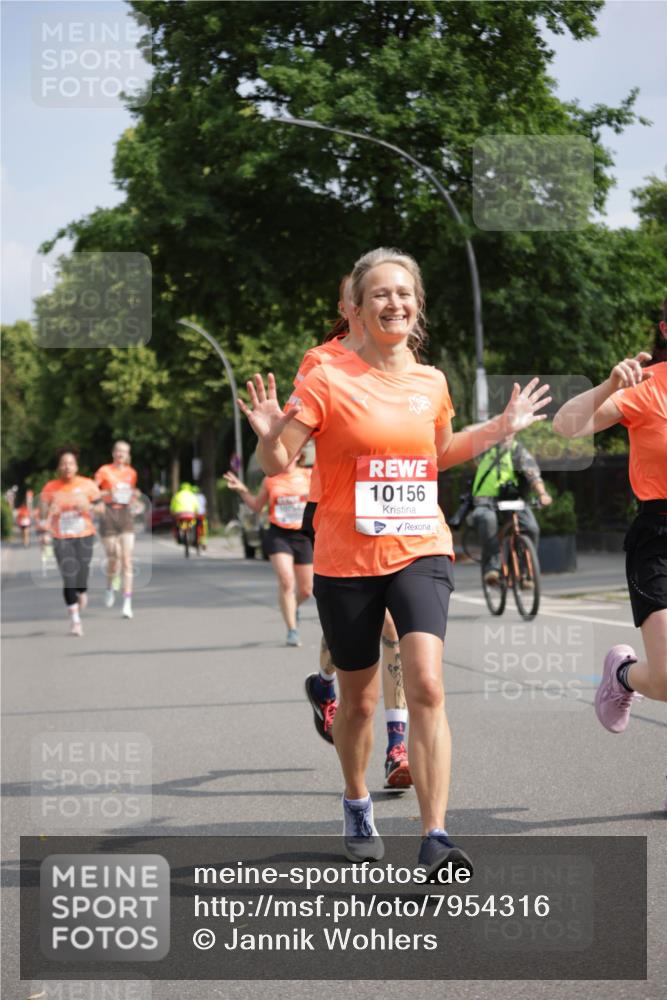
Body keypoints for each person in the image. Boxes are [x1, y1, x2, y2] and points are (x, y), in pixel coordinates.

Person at [238, 247, 549, 874]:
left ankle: (435, 835)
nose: (394, 303)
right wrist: (270, 433)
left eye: (404, 293)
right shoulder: (327, 377)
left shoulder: (431, 381)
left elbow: (440, 452)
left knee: (428, 683)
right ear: (355, 308)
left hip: (421, 547)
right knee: (357, 703)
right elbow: (277, 464)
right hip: (346, 557)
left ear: (417, 305)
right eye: (379, 293)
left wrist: (501, 426)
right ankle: (356, 800)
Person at [296, 274, 413, 788]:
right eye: (362, 294)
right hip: (334, 507)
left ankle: (397, 746)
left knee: (394, 628)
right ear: (349, 306)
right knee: (361, 626)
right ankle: (327, 682)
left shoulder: (404, 357)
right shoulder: (320, 362)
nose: (380, 302)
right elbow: (297, 430)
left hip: (396, 508)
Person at [553, 315, 667, 757]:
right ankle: (622, 675)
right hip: (658, 539)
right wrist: (609, 386)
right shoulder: (647, 385)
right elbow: (566, 426)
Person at [224, 453, 313, 646]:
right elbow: (257, 506)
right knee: (287, 581)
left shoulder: (309, 475)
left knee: (306, 590)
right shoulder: (271, 479)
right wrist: (242, 490)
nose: (287, 456)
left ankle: (292, 607)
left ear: (299, 454)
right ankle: (292, 630)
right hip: (279, 535)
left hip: (303, 536)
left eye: (291, 452)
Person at [471, 432, 552, 585]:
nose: (507, 434)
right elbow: (468, 432)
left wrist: (542, 494)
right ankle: (492, 567)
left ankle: (525, 572)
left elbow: (533, 475)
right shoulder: (484, 448)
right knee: (488, 520)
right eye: (503, 429)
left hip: (512, 499)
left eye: (510, 430)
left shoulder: (518, 451)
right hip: (485, 500)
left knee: (531, 528)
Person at [39, 447, 102, 636]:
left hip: (84, 535)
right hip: (61, 536)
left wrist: (88, 506)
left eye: (70, 463)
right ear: (59, 467)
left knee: (82, 573)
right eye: (63, 463)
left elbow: (102, 509)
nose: (67, 467)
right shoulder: (50, 487)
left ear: (76, 466)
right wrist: (46, 524)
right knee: (68, 577)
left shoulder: (87, 485)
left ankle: (82, 591)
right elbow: (42, 514)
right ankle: (75, 620)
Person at [95, 441, 140, 619]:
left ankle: (127, 603)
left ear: (128, 455)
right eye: (118, 451)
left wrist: (135, 497)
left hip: (125, 515)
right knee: (114, 558)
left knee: (127, 560)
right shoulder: (104, 471)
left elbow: (132, 492)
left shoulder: (131, 473)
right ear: (113, 453)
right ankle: (109, 586)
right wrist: (107, 493)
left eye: (124, 452)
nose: (121, 454)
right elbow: (93, 491)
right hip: (108, 514)